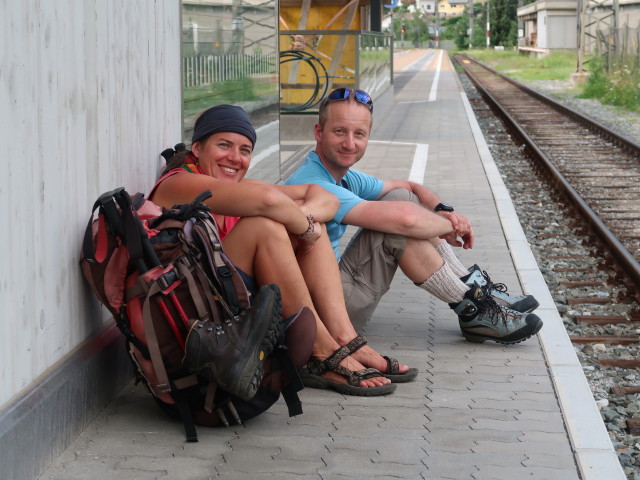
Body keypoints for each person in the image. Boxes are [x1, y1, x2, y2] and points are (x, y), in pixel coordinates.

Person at [150, 104, 419, 400]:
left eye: (244, 149)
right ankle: (322, 352)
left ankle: (346, 338)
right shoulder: (179, 182)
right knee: (267, 225)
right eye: (223, 145)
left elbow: (323, 196)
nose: (234, 158)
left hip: (226, 297)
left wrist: (303, 220)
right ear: (198, 148)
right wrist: (304, 226)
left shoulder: (230, 184)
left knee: (292, 224)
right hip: (199, 316)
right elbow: (268, 201)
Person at [285, 88, 543, 344]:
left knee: (399, 200)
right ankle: (475, 308)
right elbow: (406, 220)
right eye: (339, 131)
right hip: (324, 319)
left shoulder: (343, 175)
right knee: (398, 228)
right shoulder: (314, 183)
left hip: (332, 297)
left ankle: (475, 295)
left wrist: (443, 210)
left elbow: (408, 187)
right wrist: (447, 226)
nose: (350, 143)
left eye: (359, 134)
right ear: (319, 132)